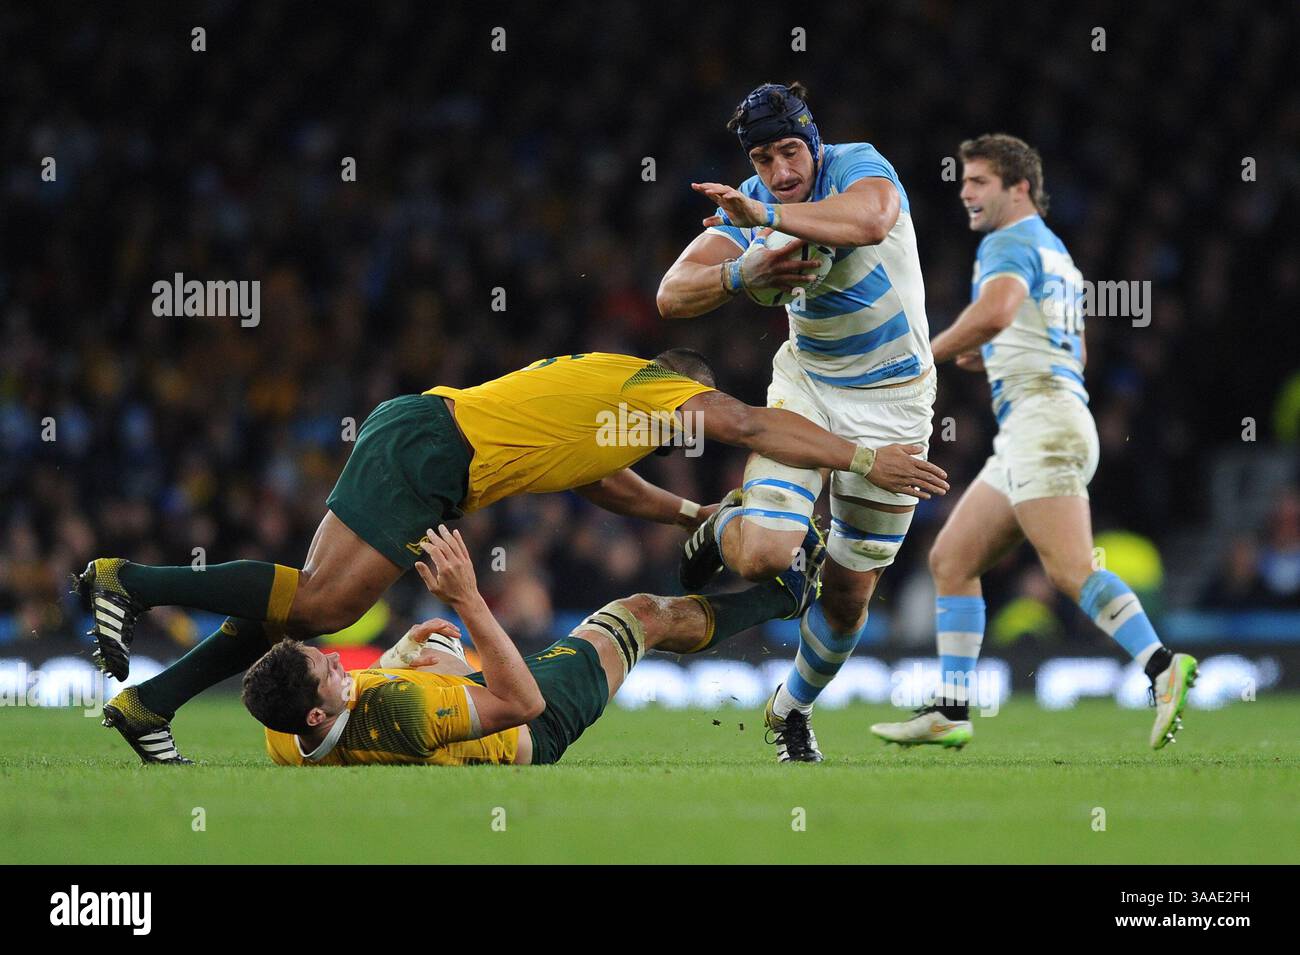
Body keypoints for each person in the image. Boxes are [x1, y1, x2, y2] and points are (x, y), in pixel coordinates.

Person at [81, 348, 945, 763]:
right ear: (683, 388)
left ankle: (149, 702)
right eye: (696, 411)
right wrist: (865, 458)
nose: (697, 427)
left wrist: (691, 508)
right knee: (322, 607)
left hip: (419, 435)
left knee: (297, 604)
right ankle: (132, 581)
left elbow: (602, 482)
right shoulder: (652, 389)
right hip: (431, 454)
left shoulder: (611, 415)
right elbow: (754, 424)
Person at [870, 134, 1196, 751]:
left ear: (1019, 188)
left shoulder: (1008, 241)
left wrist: (926, 357)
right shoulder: (1056, 255)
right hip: (1041, 421)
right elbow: (1050, 340)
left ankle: (1162, 667)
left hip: (1042, 426)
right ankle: (951, 709)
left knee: (1071, 569)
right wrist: (989, 353)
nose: (965, 191)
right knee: (952, 560)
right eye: (963, 181)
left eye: (979, 182)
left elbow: (996, 311)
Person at [658, 82, 938, 761]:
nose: (782, 172)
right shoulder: (755, 212)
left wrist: (767, 217)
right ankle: (725, 521)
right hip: (808, 388)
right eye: (763, 158)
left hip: (895, 404)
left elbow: (871, 221)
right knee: (763, 557)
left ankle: (790, 708)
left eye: (790, 151)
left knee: (847, 598)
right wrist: (740, 271)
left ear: (814, 142)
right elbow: (671, 295)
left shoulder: (856, 165)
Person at [243, 522, 824, 766]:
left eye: (322, 652)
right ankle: (786, 594)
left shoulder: (282, 734)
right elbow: (523, 704)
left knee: (431, 654)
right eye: (328, 670)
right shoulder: (404, 711)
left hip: (455, 704)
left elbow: (355, 698)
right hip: (523, 730)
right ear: (318, 710)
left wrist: (400, 657)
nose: (338, 658)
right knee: (640, 616)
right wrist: (468, 598)